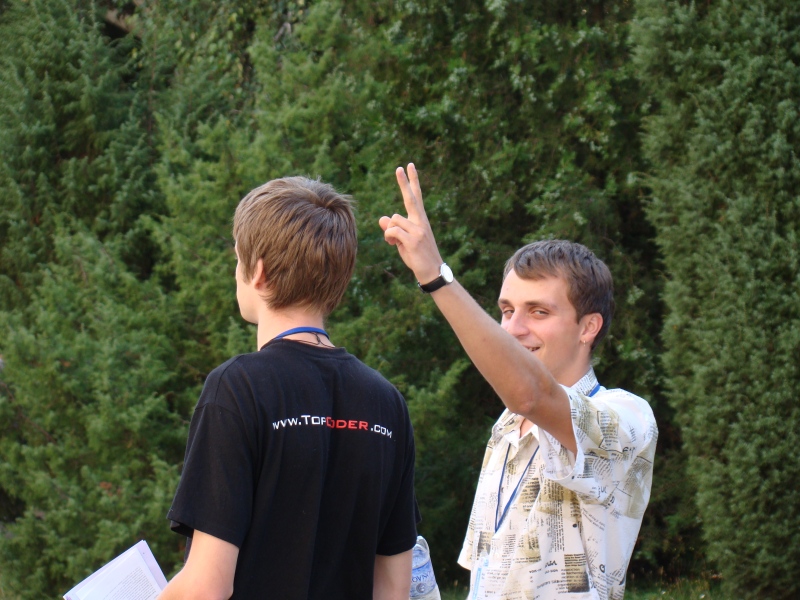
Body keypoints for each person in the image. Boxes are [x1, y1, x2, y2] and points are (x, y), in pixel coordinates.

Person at [379, 164, 657, 600]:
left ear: (589, 327)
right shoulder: (506, 428)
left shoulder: (628, 416)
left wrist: (436, 276)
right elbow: (489, 581)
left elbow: (532, 395)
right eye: (507, 310)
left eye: (538, 312)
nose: (513, 329)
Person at [160, 176, 419, 600]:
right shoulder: (386, 403)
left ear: (258, 272)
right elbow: (393, 589)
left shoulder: (237, 388)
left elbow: (206, 587)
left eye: (237, 259)